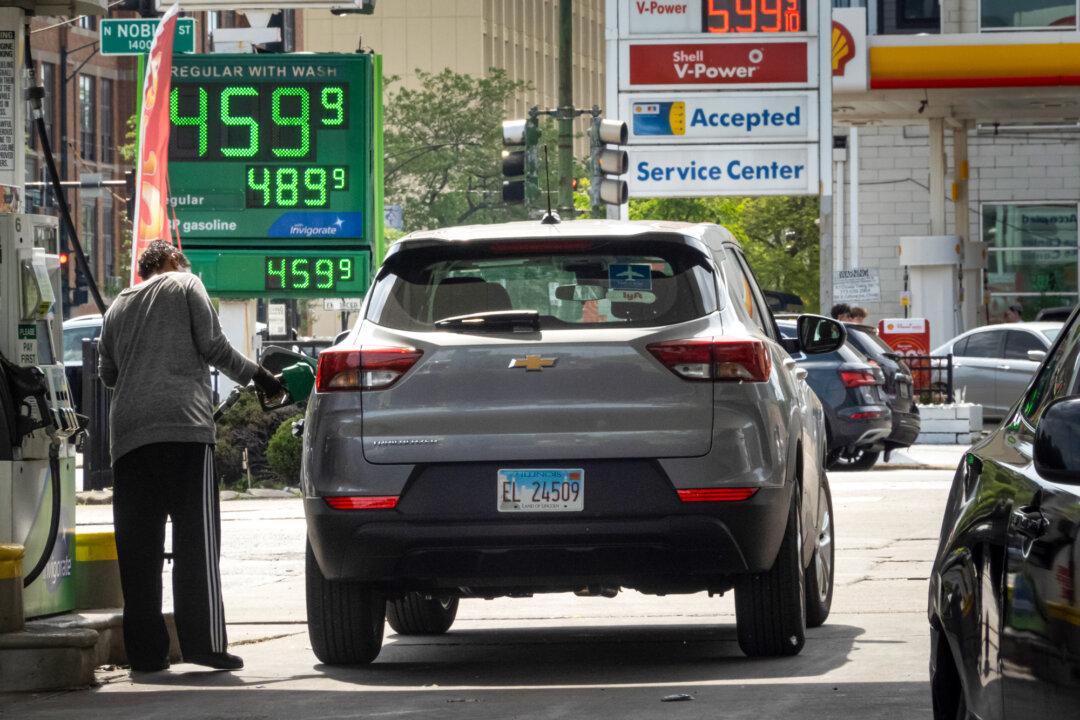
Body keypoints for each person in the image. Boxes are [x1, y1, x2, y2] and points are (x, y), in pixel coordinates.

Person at [98, 240, 283, 673]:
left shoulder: (117, 307)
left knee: (138, 551)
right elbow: (214, 346)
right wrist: (260, 377)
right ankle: (203, 644)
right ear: (172, 262)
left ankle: (146, 655)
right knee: (195, 543)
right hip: (183, 427)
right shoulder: (186, 284)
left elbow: (108, 374)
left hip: (128, 437)